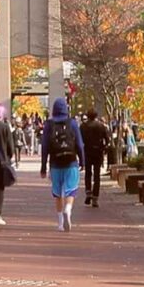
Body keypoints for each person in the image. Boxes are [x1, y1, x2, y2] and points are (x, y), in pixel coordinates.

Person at [40, 97, 85, 232]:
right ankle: (68, 209)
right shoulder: (72, 123)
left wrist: (43, 166)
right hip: (71, 161)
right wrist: (82, 161)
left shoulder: (49, 124)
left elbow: (45, 146)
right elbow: (79, 144)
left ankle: (60, 223)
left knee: (57, 193)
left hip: (55, 163)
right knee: (71, 190)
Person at [80, 109, 111, 208]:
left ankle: (88, 191)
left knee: (88, 173)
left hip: (87, 151)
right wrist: (104, 148)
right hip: (98, 152)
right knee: (97, 175)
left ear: (88, 116)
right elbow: (107, 139)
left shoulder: (83, 126)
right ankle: (95, 197)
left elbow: (79, 140)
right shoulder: (101, 126)